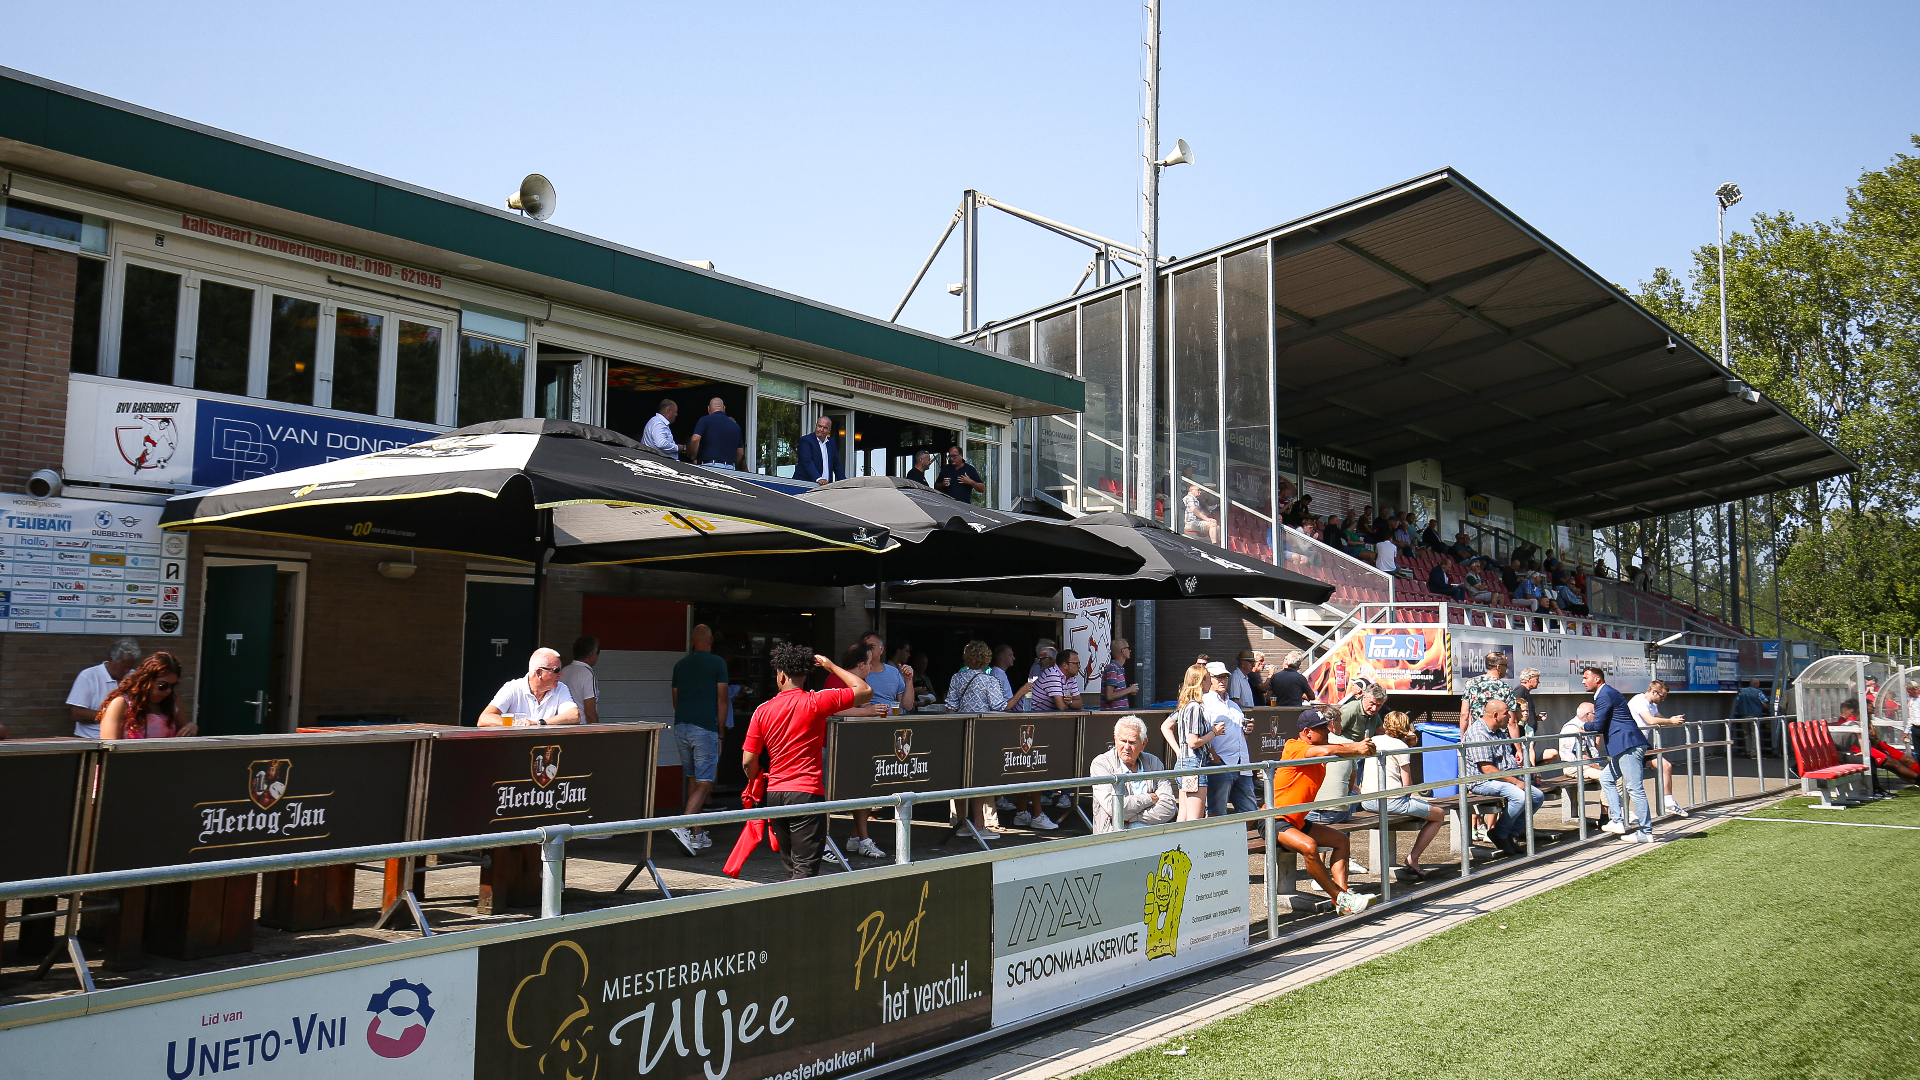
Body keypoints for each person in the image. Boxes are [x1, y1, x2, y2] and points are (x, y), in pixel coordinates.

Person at [740, 644, 871, 879]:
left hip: (776, 795)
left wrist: (756, 778)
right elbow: (864, 690)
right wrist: (831, 667)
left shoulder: (762, 710)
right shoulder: (817, 701)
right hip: (807, 793)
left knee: (791, 866)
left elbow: (748, 762)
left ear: (781, 676)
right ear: (805, 675)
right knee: (806, 870)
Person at [1272, 710, 1378, 915]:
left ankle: (1344, 898)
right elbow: (1326, 752)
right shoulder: (1294, 746)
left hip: (1297, 820)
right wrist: (1356, 748)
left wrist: (1361, 749)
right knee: (1310, 847)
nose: (1328, 730)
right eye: (1322, 728)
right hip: (1274, 818)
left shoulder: (1317, 747)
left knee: (1341, 840)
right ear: (1307, 732)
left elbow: (1333, 749)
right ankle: (1341, 899)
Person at [1358, 711, 1447, 879]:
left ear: (1385, 725)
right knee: (1439, 815)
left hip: (1367, 801)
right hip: (1391, 802)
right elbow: (1407, 785)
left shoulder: (1374, 741)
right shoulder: (1401, 747)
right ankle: (1413, 858)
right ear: (1405, 728)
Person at [667, 624, 730, 854]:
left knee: (693, 779)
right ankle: (683, 825)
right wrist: (721, 733)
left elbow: (675, 700)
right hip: (705, 727)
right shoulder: (717, 663)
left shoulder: (680, 665)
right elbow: (722, 700)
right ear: (711, 640)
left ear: (692, 640)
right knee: (706, 782)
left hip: (681, 725)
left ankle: (697, 834)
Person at [1462, 699, 1544, 856]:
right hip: (1481, 781)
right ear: (1495, 715)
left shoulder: (1499, 730)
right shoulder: (1479, 733)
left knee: (1537, 796)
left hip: (1501, 778)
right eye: (1507, 713)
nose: (1510, 717)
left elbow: (1505, 761)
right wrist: (1516, 782)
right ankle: (1499, 833)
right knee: (1520, 796)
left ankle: (1512, 834)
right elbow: (1487, 769)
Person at [1583, 665, 1654, 844]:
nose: (1583, 681)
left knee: (1634, 788)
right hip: (1624, 746)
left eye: (1586, 678)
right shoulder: (1606, 693)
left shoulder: (1604, 694)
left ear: (1597, 679)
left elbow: (1599, 725)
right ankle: (1616, 821)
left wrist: (1584, 726)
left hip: (1627, 745)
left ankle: (1646, 831)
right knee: (1606, 778)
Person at [1090, 716, 1177, 832]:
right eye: (1122, 741)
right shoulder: (1101, 764)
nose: (1126, 747)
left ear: (1144, 743)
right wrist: (1149, 798)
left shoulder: (1153, 762)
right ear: (1115, 739)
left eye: (1132, 742)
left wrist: (1132, 817)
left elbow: (1169, 807)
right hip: (1115, 836)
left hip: (1152, 834)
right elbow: (1112, 807)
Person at [1201, 661, 1257, 824]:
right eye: (1218, 677)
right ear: (1207, 679)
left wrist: (1246, 731)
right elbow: (1199, 733)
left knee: (1250, 812)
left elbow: (1239, 735)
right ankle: (1216, 847)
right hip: (1222, 763)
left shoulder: (1233, 705)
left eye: (1225, 676)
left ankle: (1239, 845)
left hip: (1242, 763)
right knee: (1216, 812)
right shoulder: (1204, 702)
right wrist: (1214, 758)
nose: (1222, 680)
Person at [97, 652, 198, 739]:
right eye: (163, 685)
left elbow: (183, 733)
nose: (168, 691)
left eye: (172, 686)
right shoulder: (121, 703)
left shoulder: (173, 701)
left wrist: (191, 726)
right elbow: (108, 747)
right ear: (146, 680)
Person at [1161, 663, 1214, 822]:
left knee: (1183, 817)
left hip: (1185, 763)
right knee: (1193, 819)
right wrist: (1214, 733)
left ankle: (1176, 847)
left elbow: (1165, 726)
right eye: (1209, 679)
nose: (1211, 683)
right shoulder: (1194, 707)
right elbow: (1193, 742)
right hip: (1194, 765)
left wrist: (1178, 751)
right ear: (1201, 682)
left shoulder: (1184, 705)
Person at [1629, 679, 1689, 817]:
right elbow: (1650, 720)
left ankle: (1668, 802)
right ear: (1654, 692)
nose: (1663, 700)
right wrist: (1669, 721)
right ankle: (1623, 812)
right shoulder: (1639, 700)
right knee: (1630, 778)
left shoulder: (1651, 704)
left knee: (1665, 766)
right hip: (1631, 743)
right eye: (1662, 696)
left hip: (1642, 743)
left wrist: (1674, 720)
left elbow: (1660, 719)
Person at [479, 647, 581, 727]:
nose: (561, 674)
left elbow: (574, 715)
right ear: (539, 672)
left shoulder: (560, 688)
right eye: (556, 670)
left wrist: (538, 723)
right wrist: (516, 724)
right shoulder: (513, 688)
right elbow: (485, 718)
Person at [68, 636, 141, 738]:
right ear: (111, 659)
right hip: (91, 738)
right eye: (123, 667)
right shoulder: (88, 676)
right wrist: (114, 715)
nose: (127, 671)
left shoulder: (134, 676)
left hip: (125, 739)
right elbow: (76, 713)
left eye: (130, 667)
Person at [688, 396, 745, 470]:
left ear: (709, 409)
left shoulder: (705, 420)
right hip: (730, 468)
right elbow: (740, 453)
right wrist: (733, 464)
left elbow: (695, 439)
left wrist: (694, 458)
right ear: (724, 408)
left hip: (709, 466)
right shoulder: (736, 426)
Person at [559, 636, 601, 725]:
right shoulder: (588, 673)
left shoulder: (564, 671)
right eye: (598, 652)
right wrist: (596, 733)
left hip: (563, 724)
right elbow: (590, 711)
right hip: (581, 727)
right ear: (590, 655)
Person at [795, 414, 844, 484]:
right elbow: (807, 461)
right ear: (816, 426)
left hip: (826, 486)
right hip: (806, 484)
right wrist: (818, 478)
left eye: (825, 428)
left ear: (829, 430)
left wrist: (843, 481)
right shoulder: (806, 440)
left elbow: (836, 463)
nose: (821, 429)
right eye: (819, 426)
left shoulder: (831, 442)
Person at [1731, 677, 1770, 756]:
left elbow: (1737, 702)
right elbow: (1764, 704)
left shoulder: (1742, 691)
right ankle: (1753, 752)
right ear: (1755, 684)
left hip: (1743, 715)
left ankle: (1748, 751)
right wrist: (1768, 710)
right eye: (1758, 683)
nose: (1759, 685)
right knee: (1754, 734)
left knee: (1746, 734)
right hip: (1754, 715)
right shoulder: (1758, 692)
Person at [1100, 638, 1139, 709]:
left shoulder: (1118, 668)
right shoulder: (1113, 669)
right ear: (1123, 651)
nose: (1130, 651)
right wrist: (1129, 690)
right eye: (1128, 648)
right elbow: (1109, 696)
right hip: (1114, 714)